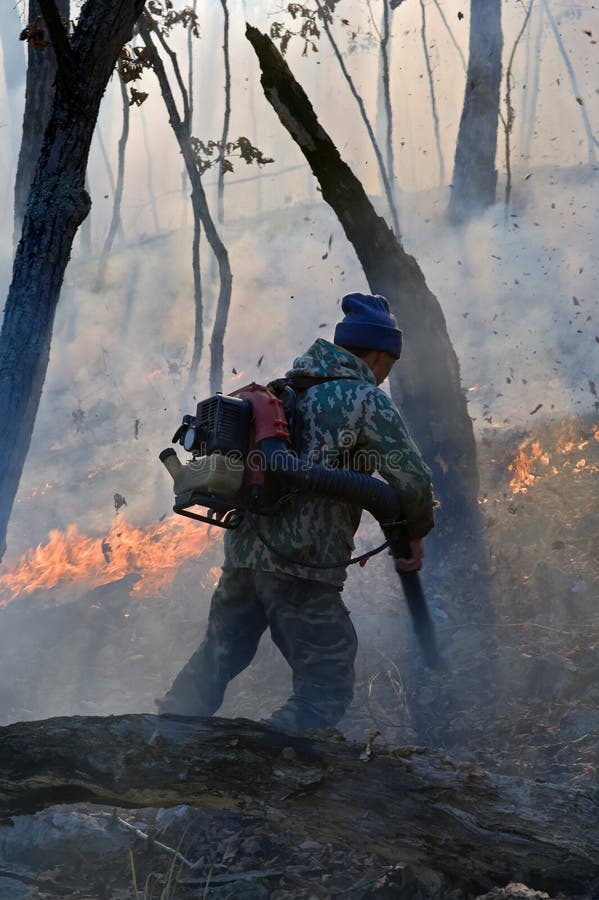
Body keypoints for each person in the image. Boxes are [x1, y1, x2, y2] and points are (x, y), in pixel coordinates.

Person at [156, 292, 434, 732]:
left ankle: (160, 744)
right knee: (325, 685)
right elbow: (412, 479)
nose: (386, 376)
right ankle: (268, 765)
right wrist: (414, 529)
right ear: (382, 354)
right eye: (389, 365)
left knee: (214, 661)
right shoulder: (363, 399)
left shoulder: (282, 392)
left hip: (245, 556)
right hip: (301, 567)